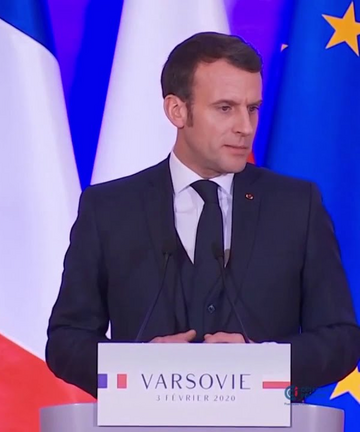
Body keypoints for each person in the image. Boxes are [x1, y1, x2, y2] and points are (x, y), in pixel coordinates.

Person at [45, 31, 360, 398]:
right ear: (177, 111)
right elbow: (66, 341)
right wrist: (135, 364)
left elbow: (341, 339)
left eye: (252, 108)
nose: (245, 127)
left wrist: (264, 361)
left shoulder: (296, 205)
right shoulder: (109, 208)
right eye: (225, 108)